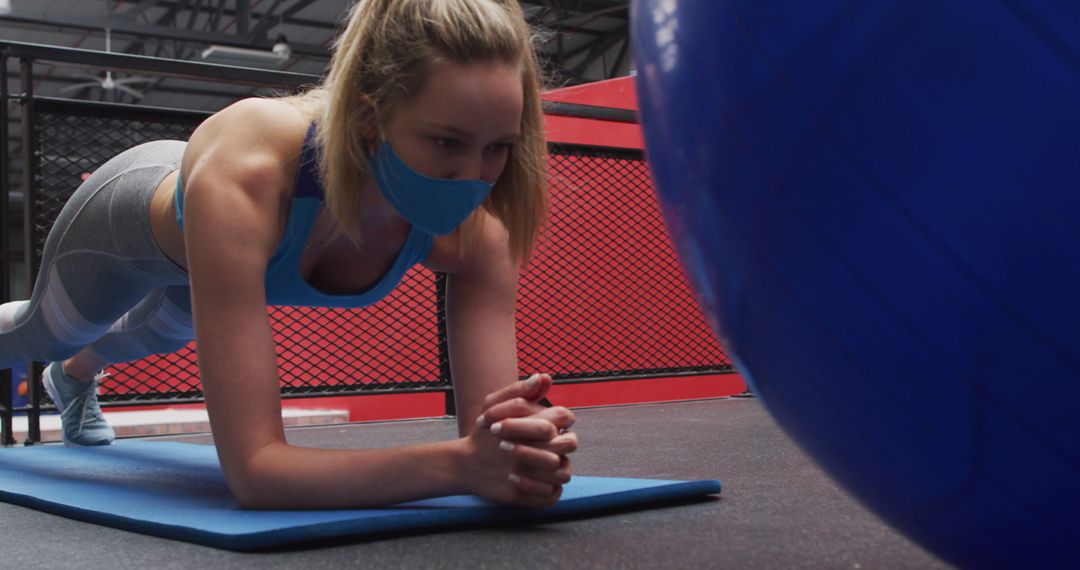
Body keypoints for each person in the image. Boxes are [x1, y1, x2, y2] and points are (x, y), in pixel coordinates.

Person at [0, 0, 577, 509]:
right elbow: (256, 474)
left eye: (497, 148)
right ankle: (69, 360)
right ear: (369, 120)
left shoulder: (480, 229)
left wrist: (519, 458)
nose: (471, 177)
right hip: (124, 221)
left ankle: (75, 378)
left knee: (159, 334)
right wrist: (458, 465)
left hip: (214, 255)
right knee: (48, 331)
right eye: (446, 142)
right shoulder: (248, 171)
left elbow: (494, 440)